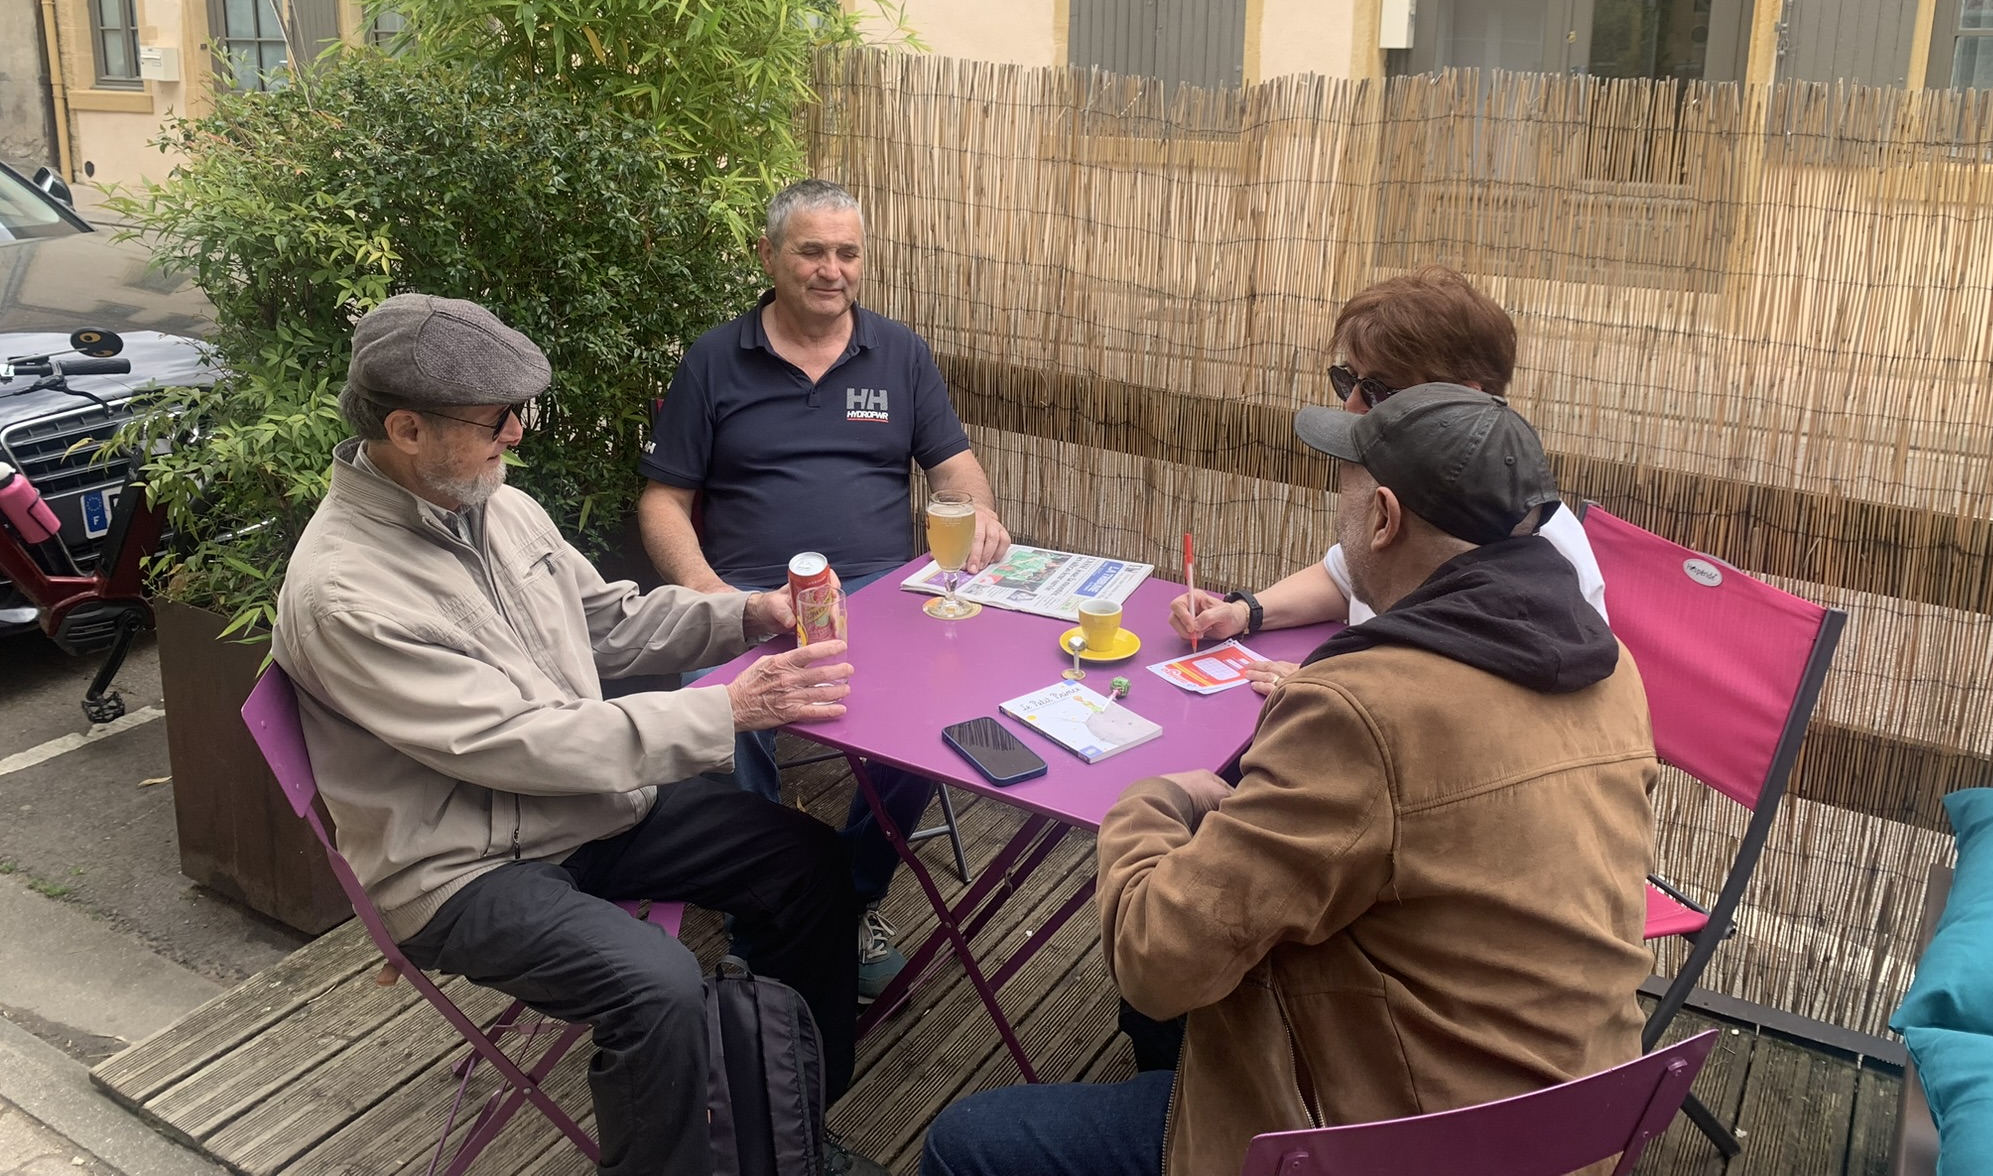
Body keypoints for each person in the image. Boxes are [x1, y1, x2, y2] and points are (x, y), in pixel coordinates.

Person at [921, 385, 1657, 1176]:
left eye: (1342, 479)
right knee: (1187, 1002)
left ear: (1382, 515)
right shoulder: (1609, 670)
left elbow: (1153, 954)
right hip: (1576, 1116)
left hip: (1395, 1142)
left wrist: (1154, 798)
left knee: (964, 1143)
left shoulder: (1366, 711)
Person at [275, 294, 883, 1176]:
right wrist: (729, 710)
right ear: (405, 429)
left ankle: (787, 1133)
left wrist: (748, 615)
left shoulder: (493, 505)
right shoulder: (344, 592)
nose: (516, 435)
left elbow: (607, 623)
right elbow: (521, 742)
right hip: (461, 867)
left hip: (583, 807)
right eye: (495, 419)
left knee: (810, 865)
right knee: (660, 988)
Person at [638, 178, 1012, 999]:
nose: (831, 269)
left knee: (942, 710)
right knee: (730, 716)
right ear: (769, 256)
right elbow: (663, 499)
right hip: (745, 598)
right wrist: (708, 597)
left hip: (881, 597)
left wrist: (978, 512)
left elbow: (953, 467)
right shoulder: (713, 360)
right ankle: (764, 907)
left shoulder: (901, 353)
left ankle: (853, 891)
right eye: (811, 251)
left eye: (847, 252)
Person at [1169, 266, 1606, 692]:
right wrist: (1245, 611)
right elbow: (1345, 577)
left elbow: (1465, 697)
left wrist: (1336, 688)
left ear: (1462, 399)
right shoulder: (1414, 486)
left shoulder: (1539, 561)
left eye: (1379, 389)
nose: (1353, 404)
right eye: (1349, 380)